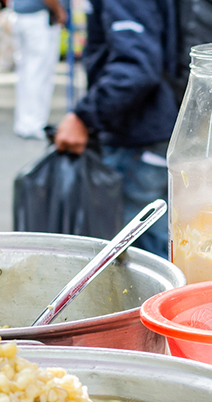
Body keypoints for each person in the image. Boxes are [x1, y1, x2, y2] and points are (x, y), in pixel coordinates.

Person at [51, 0, 176, 256]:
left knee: (142, 251)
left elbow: (136, 68)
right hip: (160, 130)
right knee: (162, 239)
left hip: (139, 137)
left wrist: (84, 116)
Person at [12, 0, 67, 138]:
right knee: (38, 72)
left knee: (27, 72)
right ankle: (33, 124)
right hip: (38, 17)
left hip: (22, 15)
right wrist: (59, 10)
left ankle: (25, 122)